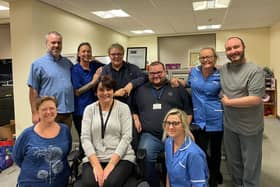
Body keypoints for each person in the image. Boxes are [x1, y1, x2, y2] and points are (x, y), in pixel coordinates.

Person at [132, 61, 193, 187]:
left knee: (180, 159)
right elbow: (133, 108)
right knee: (145, 155)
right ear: (148, 74)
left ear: (165, 72)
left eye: (159, 72)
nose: (156, 76)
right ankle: (153, 183)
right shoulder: (140, 90)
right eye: (152, 73)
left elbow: (188, 111)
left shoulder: (176, 87)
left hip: (174, 134)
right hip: (150, 135)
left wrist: (184, 130)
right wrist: (135, 117)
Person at [171, 47, 223, 187]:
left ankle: (213, 180)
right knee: (201, 151)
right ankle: (211, 172)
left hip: (216, 117)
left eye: (209, 57)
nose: (206, 60)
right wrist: (177, 81)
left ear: (215, 58)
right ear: (199, 59)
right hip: (198, 119)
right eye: (202, 57)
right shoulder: (194, 71)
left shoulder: (221, 74)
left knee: (216, 151)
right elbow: (189, 84)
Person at [220, 37, 265, 187]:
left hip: (250, 128)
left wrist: (228, 103)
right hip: (230, 126)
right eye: (228, 49)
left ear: (244, 47)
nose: (233, 51)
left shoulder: (255, 70)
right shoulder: (224, 69)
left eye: (236, 47)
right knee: (234, 162)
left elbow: (255, 99)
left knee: (251, 166)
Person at [80, 75, 135, 187]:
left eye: (109, 89)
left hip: (121, 158)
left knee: (110, 184)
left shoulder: (123, 108)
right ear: (95, 92)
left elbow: (127, 137)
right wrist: (96, 166)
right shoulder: (89, 110)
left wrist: (111, 165)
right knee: (89, 184)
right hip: (95, 157)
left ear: (113, 90)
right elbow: (85, 138)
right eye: (101, 89)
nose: (105, 93)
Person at [13, 96, 72, 187]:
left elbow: (66, 152)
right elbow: (17, 158)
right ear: (38, 112)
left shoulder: (65, 130)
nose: (48, 112)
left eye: (51, 108)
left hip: (61, 183)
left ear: (56, 110)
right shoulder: (27, 134)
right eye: (44, 109)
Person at [28, 31, 74, 127]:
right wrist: (35, 113)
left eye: (59, 43)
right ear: (47, 44)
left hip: (67, 113)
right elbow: (33, 91)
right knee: (49, 140)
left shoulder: (67, 63)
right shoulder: (38, 64)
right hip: (48, 113)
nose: (56, 45)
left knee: (65, 140)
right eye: (53, 42)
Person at [71, 42, 103, 156]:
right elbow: (77, 92)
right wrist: (93, 82)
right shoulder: (75, 70)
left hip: (96, 109)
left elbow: (108, 67)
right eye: (83, 51)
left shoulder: (94, 65)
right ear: (79, 54)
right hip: (81, 111)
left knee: (96, 137)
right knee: (84, 139)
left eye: (88, 51)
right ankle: (83, 165)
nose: (86, 53)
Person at [163, 108, 208, 187]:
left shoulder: (194, 154)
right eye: (168, 123)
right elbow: (169, 171)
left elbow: (197, 185)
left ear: (184, 126)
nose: (170, 127)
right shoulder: (168, 142)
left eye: (175, 123)